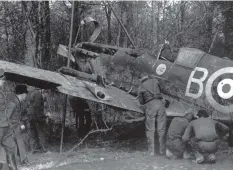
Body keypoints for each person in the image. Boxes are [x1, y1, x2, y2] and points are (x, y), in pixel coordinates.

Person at [0, 84, 28, 170]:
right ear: (23, 94)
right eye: (26, 94)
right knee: (8, 148)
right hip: (7, 128)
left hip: (12, 127)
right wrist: (9, 128)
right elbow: (6, 117)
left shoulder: (18, 102)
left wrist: (20, 124)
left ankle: (21, 160)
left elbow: (16, 116)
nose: (26, 96)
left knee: (12, 147)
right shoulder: (13, 103)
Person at [138, 76, 166, 156]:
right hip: (160, 105)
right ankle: (162, 151)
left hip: (151, 105)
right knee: (161, 129)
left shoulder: (142, 86)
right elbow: (161, 91)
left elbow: (141, 102)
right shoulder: (155, 81)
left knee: (150, 130)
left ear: (141, 79)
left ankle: (151, 151)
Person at [24, 87, 45, 152]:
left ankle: (34, 148)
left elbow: (27, 105)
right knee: (40, 131)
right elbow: (37, 106)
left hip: (30, 116)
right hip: (37, 116)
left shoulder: (29, 93)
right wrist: (40, 117)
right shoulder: (37, 93)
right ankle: (42, 148)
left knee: (33, 132)